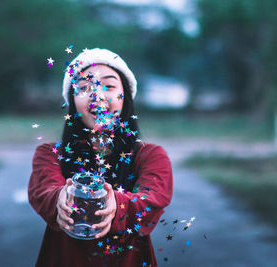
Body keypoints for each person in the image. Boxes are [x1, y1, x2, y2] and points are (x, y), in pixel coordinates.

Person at [28, 48, 173, 266]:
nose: (97, 95)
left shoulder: (151, 155)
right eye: (84, 88)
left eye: (109, 85)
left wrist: (118, 204)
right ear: (72, 102)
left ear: (125, 97)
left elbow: (153, 199)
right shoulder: (49, 154)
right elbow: (44, 191)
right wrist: (60, 198)